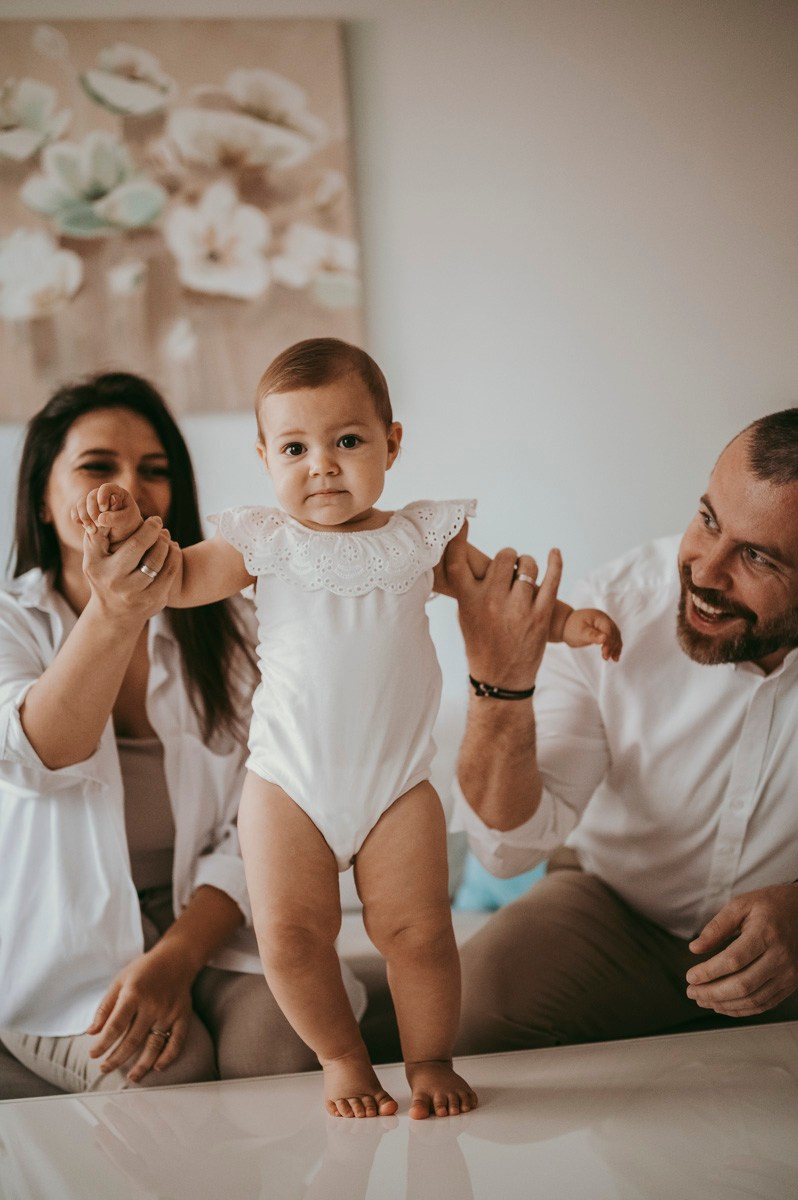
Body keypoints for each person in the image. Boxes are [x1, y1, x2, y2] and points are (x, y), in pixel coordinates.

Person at [79, 338, 622, 1118]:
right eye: (295, 447)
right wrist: (128, 535)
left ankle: (429, 1058)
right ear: (265, 456)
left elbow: (493, 594)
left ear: (392, 443)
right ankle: (343, 1060)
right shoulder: (261, 542)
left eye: (348, 442)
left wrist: (568, 625)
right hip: (287, 785)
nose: (322, 465)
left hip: (396, 786)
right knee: (292, 939)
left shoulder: (418, 538)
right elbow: (179, 578)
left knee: (422, 935)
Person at [0, 370, 366, 1095]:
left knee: (285, 1045)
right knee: (172, 1070)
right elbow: (42, 757)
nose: (129, 488)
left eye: (155, 471)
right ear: (44, 498)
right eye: (98, 467)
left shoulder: (230, 627)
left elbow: (267, 809)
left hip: (209, 921)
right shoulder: (11, 624)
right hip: (58, 944)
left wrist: (177, 956)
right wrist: (115, 613)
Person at [441, 408, 798, 1054]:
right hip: (620, 908)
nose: (705, 573)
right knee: (470, 1009)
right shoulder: (618, 605)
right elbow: (506, 851)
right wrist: (500, 686)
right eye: (709, 520)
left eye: (756, 558)